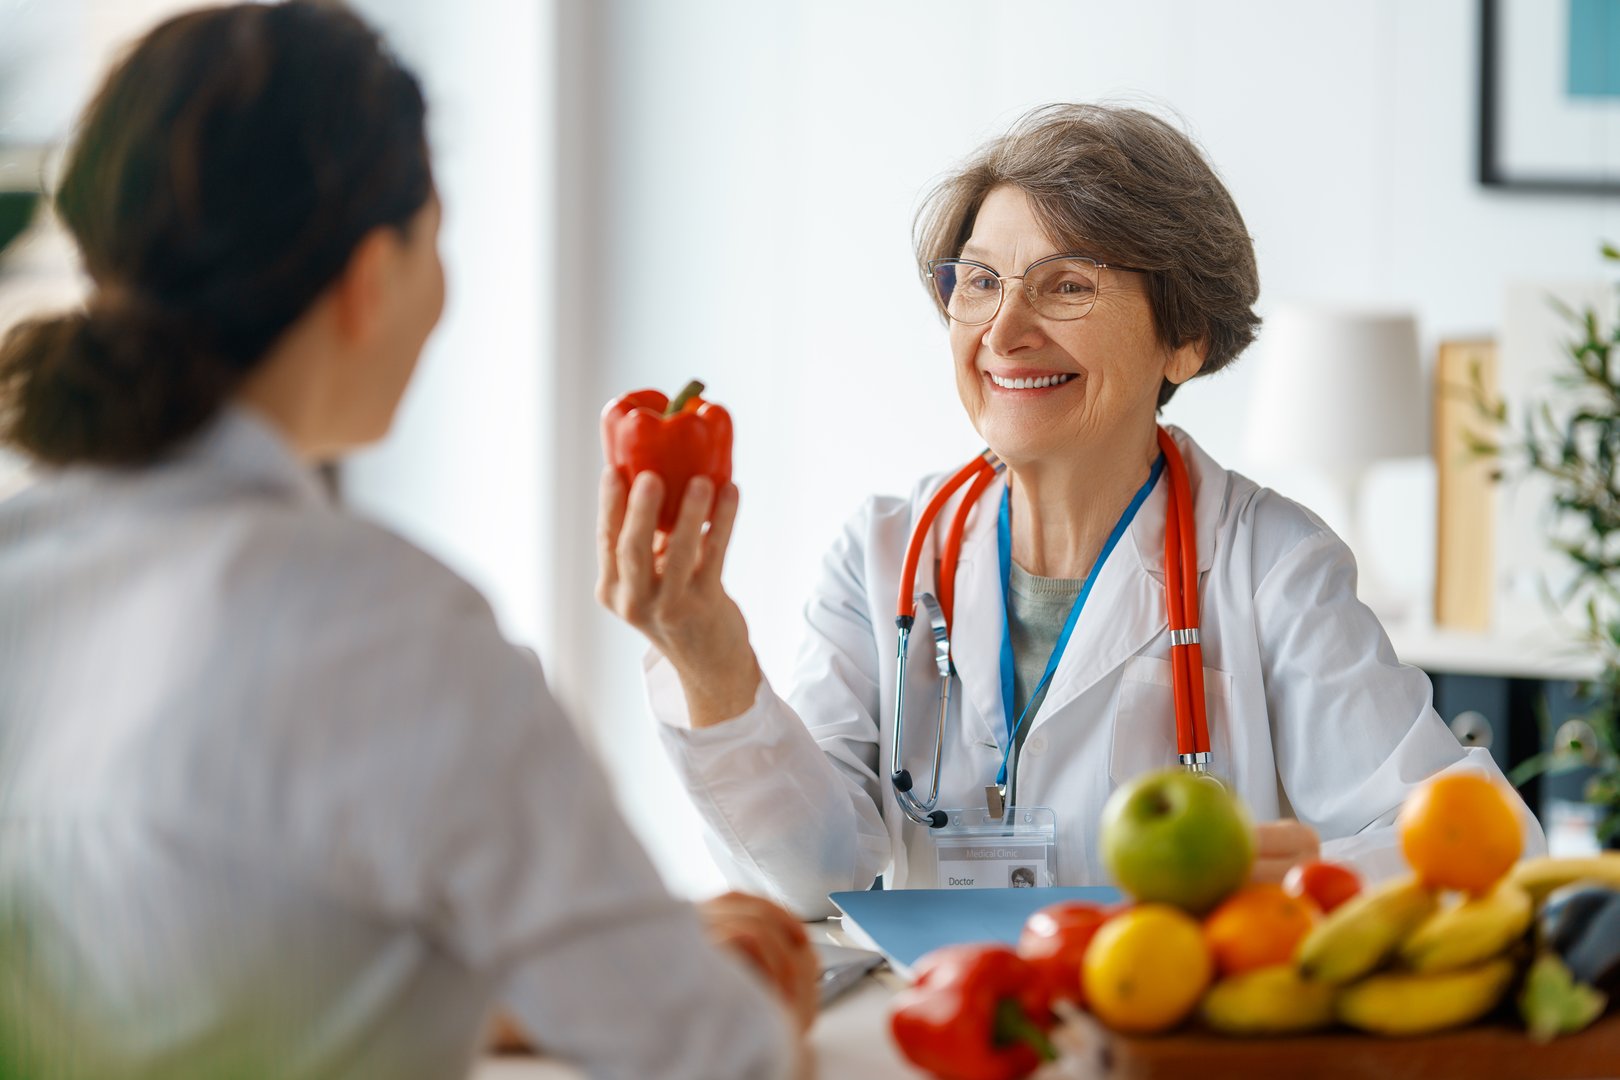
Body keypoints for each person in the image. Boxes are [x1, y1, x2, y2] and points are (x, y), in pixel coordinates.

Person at [0, 4, 813, 1078]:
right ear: (373, 275)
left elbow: (163, 978)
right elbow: (722, 1058)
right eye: (439, 236)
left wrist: (493, 998)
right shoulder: (392, 627)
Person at [597, 103, 1546, 918]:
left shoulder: (1270, 566)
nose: (1005, 332)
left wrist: (1312, 886)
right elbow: (811, 876)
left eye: (1068, 285)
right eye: (977, 281)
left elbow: (1491, 843)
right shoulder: (882, 552)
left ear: (1184, 338)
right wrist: (708, 657)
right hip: (953, 1032)